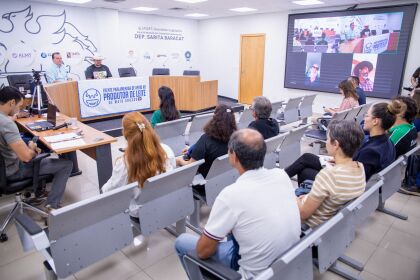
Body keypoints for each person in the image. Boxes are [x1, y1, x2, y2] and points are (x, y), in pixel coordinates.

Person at [175, 129, 301, 279]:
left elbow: (203, 251)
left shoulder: (230, 195)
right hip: (287, 264)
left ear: (233, 156)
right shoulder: (281, 175)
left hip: (251, 274)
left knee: (182, 242)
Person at [286, 101, 398, 183]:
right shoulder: (387, 142)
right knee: (307, 158)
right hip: (350, 175)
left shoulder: (371, 151)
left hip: (346, 186)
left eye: (366, 115)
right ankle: (282, 179)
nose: (364, 118)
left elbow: (356, 179)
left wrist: (338, 166)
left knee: (305, 171)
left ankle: (284, 181)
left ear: (375, 121)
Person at [0, 86, 72, 210]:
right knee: (66, 164)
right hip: (12, 171)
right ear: (11, 102)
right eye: (18, 106)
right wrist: (31, 148)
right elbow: (26, 157)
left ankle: (38, 191)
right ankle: (52, 208)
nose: (18, 110)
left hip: (4, 168)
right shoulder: (6, 123)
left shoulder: (4, 119)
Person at [102, 112, 175, 219]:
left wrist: (103, 190)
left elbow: (110, 192)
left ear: (125, 135)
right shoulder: (166, 150)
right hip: (164, 204)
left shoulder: (125, 163)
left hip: (139, 212)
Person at [294, 120, 366, 228]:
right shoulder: (360, 166)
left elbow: (302, 215)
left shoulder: (329, 175)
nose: (326, 142)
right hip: (330, 224)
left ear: (336, 144)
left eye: (327, 139)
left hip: (310, 226)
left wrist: (291, 196)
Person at [176, 104, 237, 178]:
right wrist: (193, 149)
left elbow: (191, 166)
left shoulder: (205, 140)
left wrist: (179, 161)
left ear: (214, 118)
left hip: (203, 180)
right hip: (225, 177)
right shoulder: (236, 139)